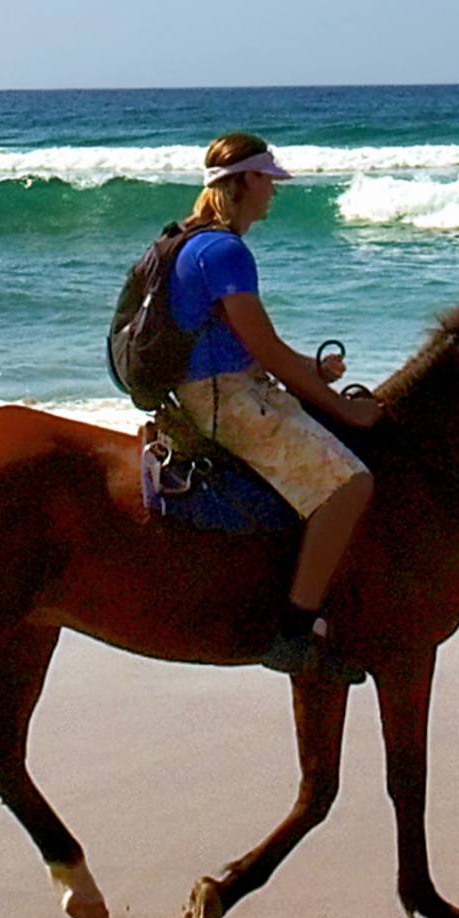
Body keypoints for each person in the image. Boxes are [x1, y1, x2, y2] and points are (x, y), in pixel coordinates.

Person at [169, 132, 382, 684]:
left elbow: (255, 347)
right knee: (351, 485)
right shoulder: (225, 252)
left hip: (232, 386)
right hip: (228, 400)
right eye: (268, 180)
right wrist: (342, 405)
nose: (274, 192)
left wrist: (314, 373)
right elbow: (264, 352)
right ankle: (293, 629)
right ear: (245, 182)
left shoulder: (198, 242)